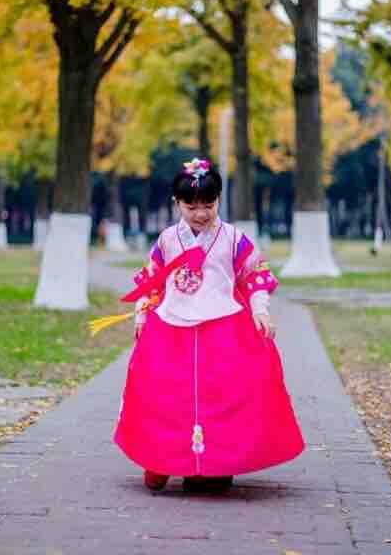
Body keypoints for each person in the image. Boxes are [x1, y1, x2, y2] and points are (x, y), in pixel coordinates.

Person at [114, 158, 305, 492]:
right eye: (191, 207)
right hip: (170, 326)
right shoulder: (167, 239)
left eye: (209, 205)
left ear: (219, 200)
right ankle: (159, 459)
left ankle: (214, 463)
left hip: (223, 327)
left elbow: (255, 275)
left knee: (223, 394)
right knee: (164, 393)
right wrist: (141, 315)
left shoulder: (233, 238)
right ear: (177, 203)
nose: (201, 214)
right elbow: (152, 281)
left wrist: (260, 310)